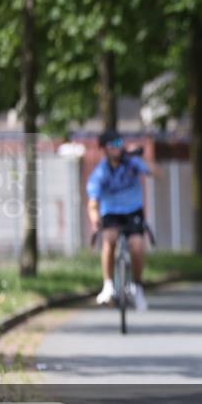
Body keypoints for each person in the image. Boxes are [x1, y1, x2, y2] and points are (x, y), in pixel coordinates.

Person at [86, 131, 159, 311]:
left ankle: (138, 287)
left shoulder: (132, 164)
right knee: (109, 239)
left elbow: (157, 173)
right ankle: (108, 285)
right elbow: (93, 203)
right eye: (111, 145)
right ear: (103, 149)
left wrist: (142, 158)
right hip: (111, 212)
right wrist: (95, 221)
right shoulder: (100, 173)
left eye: (119, 143)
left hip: (133, 210)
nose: (116, 148)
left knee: (137, 246)